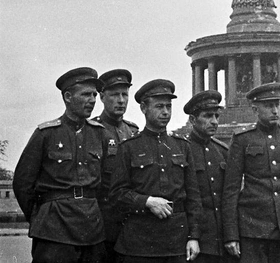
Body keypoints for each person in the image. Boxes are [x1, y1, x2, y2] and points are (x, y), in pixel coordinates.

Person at [13, 67, 108, 263]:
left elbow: (107, 182)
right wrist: (41, 217)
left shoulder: (100, 134)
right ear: (67, 96)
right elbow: (23, 183)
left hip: (92, 229)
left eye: (94, 95)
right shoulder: (45, 134)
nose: (92, 100)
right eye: (85, 94)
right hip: (53, 230)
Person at [109, 79, 202, 263]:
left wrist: (194, 237)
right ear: (144, 108)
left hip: (176, 242)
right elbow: (116, 194)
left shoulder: (182, 146)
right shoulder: (128, 147)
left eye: (168, 106)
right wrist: (147, 201)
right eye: (159, 106)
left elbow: (193, 196)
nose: (165, 112)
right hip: (139, 244)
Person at [222, 82, 280, 263]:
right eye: (268, 106)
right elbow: (231, 189)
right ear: (255, 109)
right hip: (253, 229)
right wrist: (231, 234)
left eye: (277, 105)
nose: (275, 110)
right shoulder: (242, 139)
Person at [93, 69, 139, 262]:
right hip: (103, 222)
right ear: (102, 97)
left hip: (131, 223)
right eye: (114, 95)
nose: (121, 100)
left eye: (125, 95)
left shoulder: (133, 131)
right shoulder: (93, 130)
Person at [183, 90, 230, 263]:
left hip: (222, 239)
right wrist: (192, 235)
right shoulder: (183, 150)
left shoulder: (223, 151)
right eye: (208, 116)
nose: (214, 121)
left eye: (217, 116)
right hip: (196, 240)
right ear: (193, 120)